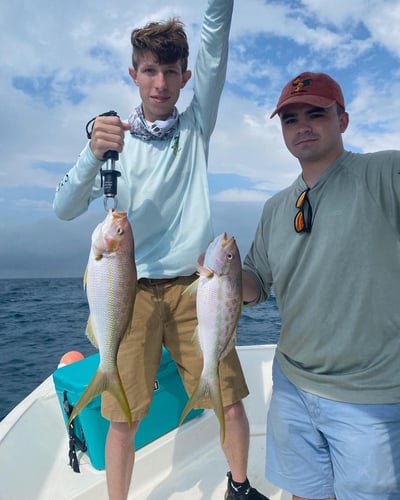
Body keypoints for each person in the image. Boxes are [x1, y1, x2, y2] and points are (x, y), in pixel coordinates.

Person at [54, 1, 268, 499]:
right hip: (128, 292)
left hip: (201, 288)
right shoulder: (112, 143)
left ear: (186, 76)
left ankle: (239, 486)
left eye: (171, 72)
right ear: (134, 74)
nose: (160, 83)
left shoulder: (195, 127)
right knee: (123, 414)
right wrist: (90, 154)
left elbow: (216, 41)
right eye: (150, 71)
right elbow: (64, 207)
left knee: (229, 398)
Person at [242, 71, 400, 499]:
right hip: (291, 383)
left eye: (317, 114)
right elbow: (257, 284)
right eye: (290, 120)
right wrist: (226, 278)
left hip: (370, 395)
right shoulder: (276, 208)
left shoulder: (384, 173)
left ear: (343, 120)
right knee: (303, 494)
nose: (303, 126)